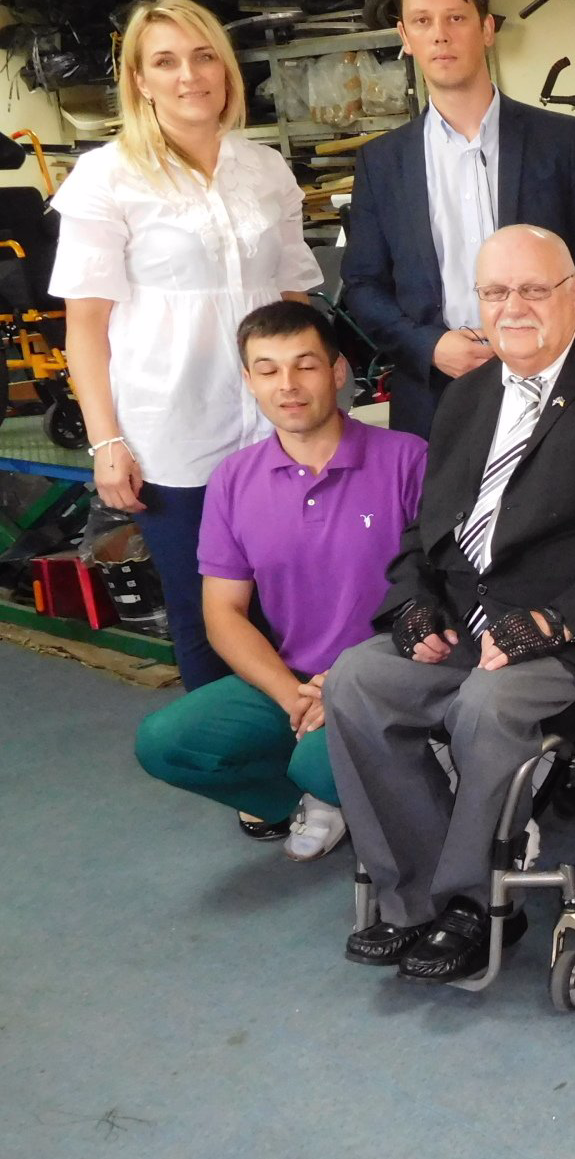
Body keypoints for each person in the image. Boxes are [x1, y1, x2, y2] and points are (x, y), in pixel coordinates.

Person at [326, 224, 575, 980]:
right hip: (469, 622)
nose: (514, 308)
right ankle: (416, 903)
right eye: (496, 293)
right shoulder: (468, 394)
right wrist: (413, 605)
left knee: (487, 704)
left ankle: (479, 905)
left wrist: (554, 619)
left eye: (534, 290)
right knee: (356, 682)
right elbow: (427, 530)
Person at [51, 0, 322, 699]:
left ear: (225, 68)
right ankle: (241, 771)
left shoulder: (265, 170)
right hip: (175, 433)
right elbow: (84, 327)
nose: (188, 75)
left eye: (203, 56)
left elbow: (295, 301)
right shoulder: (106, 177)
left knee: (298, 597)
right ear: (139, 80)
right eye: (164, 62)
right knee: (209, 611)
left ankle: (315, 756)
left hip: (278, 423)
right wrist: (105, 441)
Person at [134, 301, 427, 860]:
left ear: (339, 372)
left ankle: (354, 780)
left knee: (319, 760)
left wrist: (340, 689)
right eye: (267, 369)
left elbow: (445, 592)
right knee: (165, 743)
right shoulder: (233, 480)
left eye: (305, 365)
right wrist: (291, 696)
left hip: (386, 677)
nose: (287, 385)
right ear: (248, 381)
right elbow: (222, 614)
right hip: (292, 679)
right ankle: (310, 796)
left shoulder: (408, 459)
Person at [340, 0, 575, 440]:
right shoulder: (383, 162)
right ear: (405, 36)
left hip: (557, 389)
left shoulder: (559, 142)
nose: (440, 36)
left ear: (487, 28)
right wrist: (428, 346)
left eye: (456, 18)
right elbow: (363, 286)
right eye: (423, 22)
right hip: (437, 395)